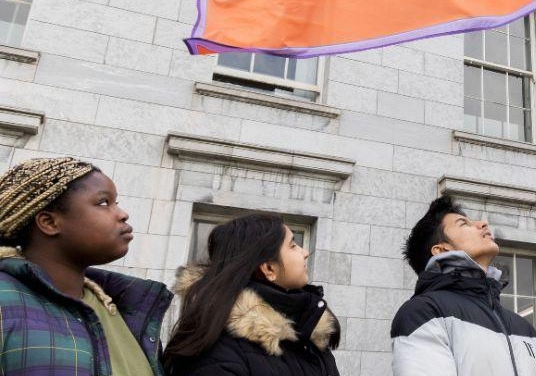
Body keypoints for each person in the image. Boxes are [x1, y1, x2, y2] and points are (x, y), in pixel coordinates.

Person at [0, 156, 173, 375]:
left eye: (116, 203)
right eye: (103, 203)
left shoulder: (130, 310)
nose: (123, 214)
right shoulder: (5, 301)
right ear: (49, 222)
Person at [165, 214, 340, 375]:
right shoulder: (217, 353)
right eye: (293, 246)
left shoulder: (307, 333)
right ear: (269, 268)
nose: (305, 253)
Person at [391, 195, 536, 375]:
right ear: (441, 249)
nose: (483, 224)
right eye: (464, 224)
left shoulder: (524, 327)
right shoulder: (424, 313)